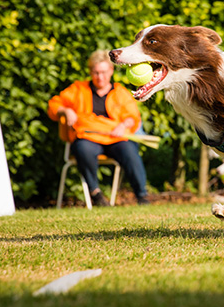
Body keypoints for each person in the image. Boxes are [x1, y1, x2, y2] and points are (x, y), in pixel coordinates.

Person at [48, 50, 149, 206]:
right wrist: (66, 111)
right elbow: (54, 105)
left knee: (130, 150)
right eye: (95, 73)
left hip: (115, 138)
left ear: (111, 71)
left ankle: (142, 196)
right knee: (83, 148)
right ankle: (96, 194)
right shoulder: (78, 89)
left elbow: (133, 117)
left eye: (103, 72)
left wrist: (124, 125)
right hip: (87, 138)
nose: (99, 77)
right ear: (90, 72)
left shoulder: (120, 92)